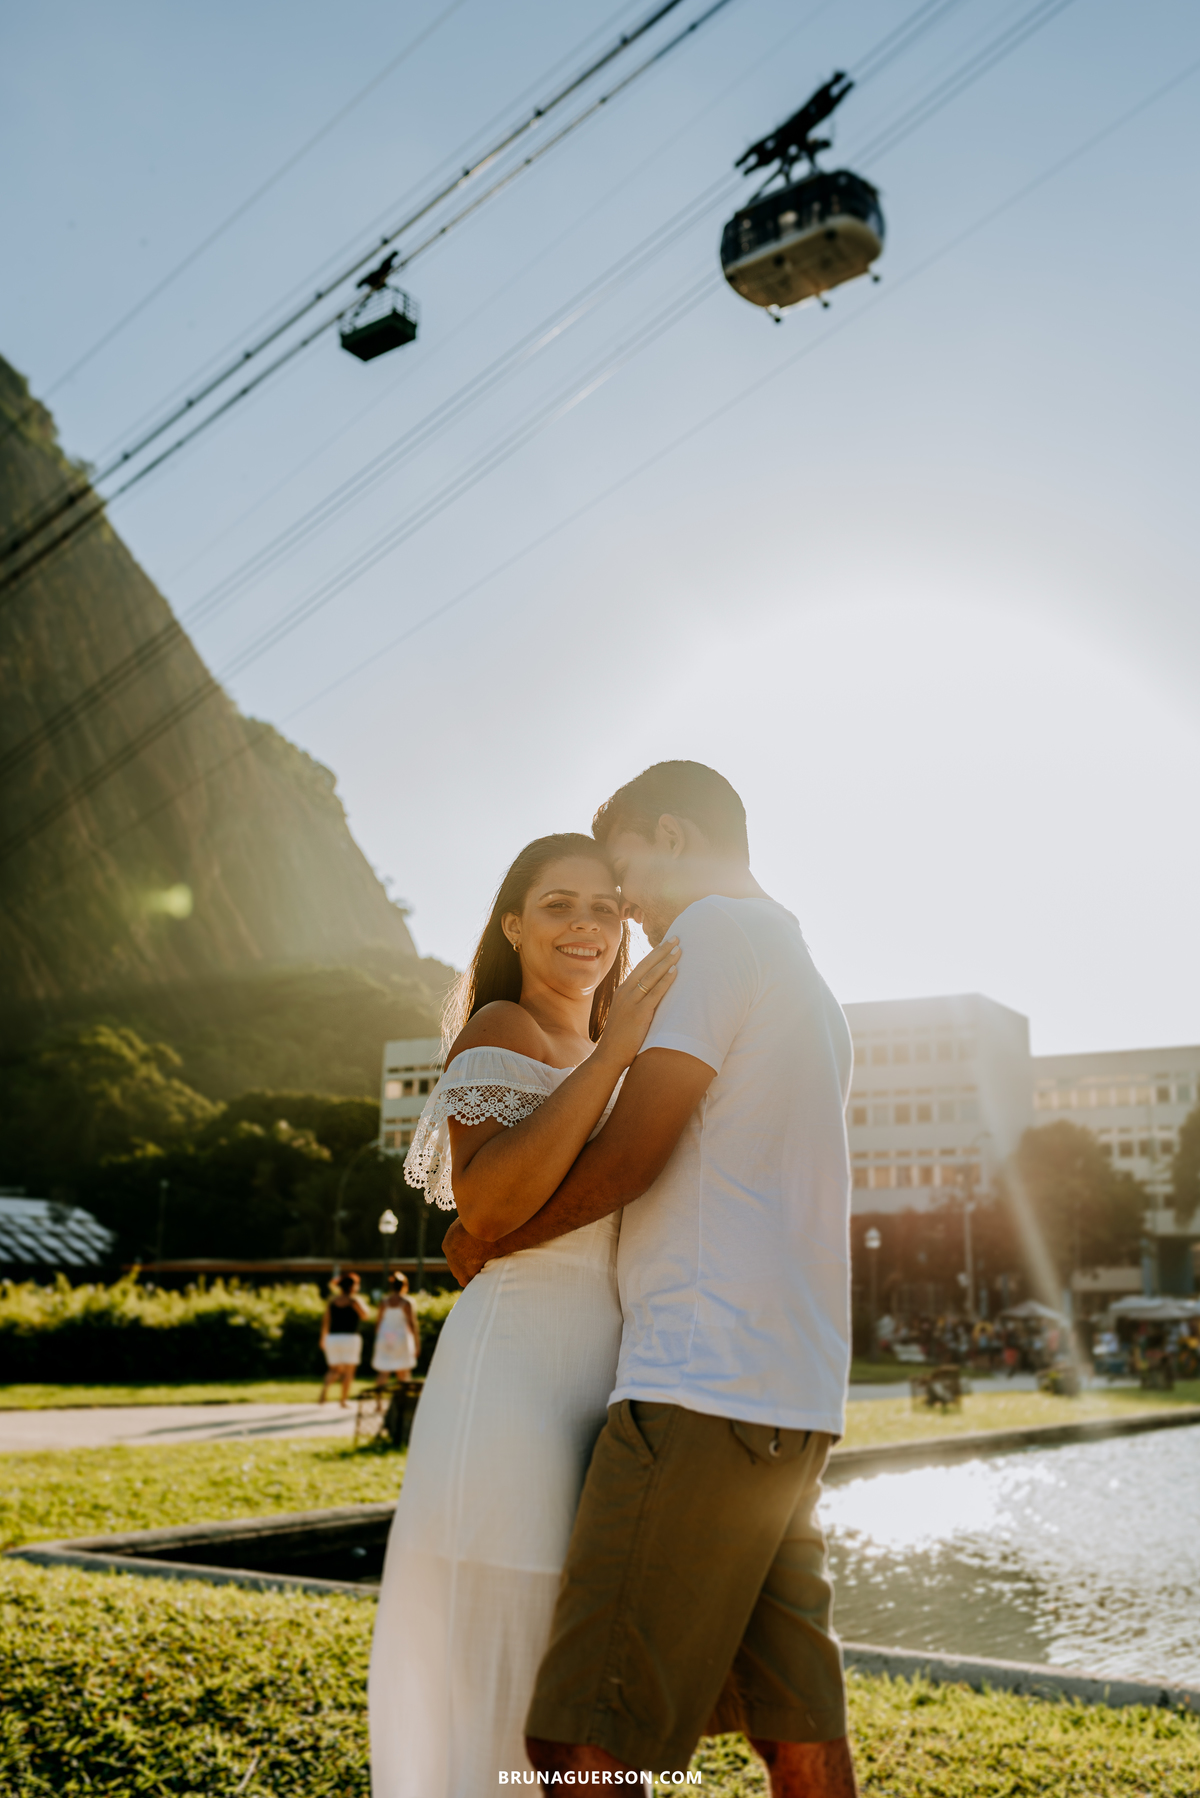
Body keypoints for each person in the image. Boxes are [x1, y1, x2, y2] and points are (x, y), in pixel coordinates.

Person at [444, 761, 859, 1795]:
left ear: (670, 835)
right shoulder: (801, 960)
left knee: (580, 1744)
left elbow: (637, 1152)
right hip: (791, 1396)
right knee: (796, 1727)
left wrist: (494, 1236)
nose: (622, 904)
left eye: (622, 868)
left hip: (698, 1381)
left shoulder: (710, 936)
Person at [368, 832, 679, 1797]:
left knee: (583, 1652)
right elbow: (491, 1206)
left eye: (602, 906)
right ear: (514, 925)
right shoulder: (501, 1027)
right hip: (512, 1374)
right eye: (557, 904)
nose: (584, 924)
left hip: (610, 1376)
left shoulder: (620, 1056)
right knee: (510, 1634)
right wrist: (619, 1045)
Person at [319, 1271, 369, 1406]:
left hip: (333, 1338)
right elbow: (365, 1315)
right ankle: (343, 1400)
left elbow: (326, 1321)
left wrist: (322, 1338)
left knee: (334, 1369)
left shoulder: (332, 1301)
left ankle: (323, 1393)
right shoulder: (354, 1301)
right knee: (348, 1371)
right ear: (353, 1286)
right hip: (350, 1338)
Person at [372, 1271, 420, 1392]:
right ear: (404, 1286)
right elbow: (412, 1323)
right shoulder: (407, 1302)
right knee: (403, 1371)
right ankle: (403, 1401)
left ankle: (378, 1403)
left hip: (385, 1337)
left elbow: (378, 1322)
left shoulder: (384, 1302)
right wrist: (417, 1343)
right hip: (401, 1337)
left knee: (383, 1370)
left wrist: (378, 1337)